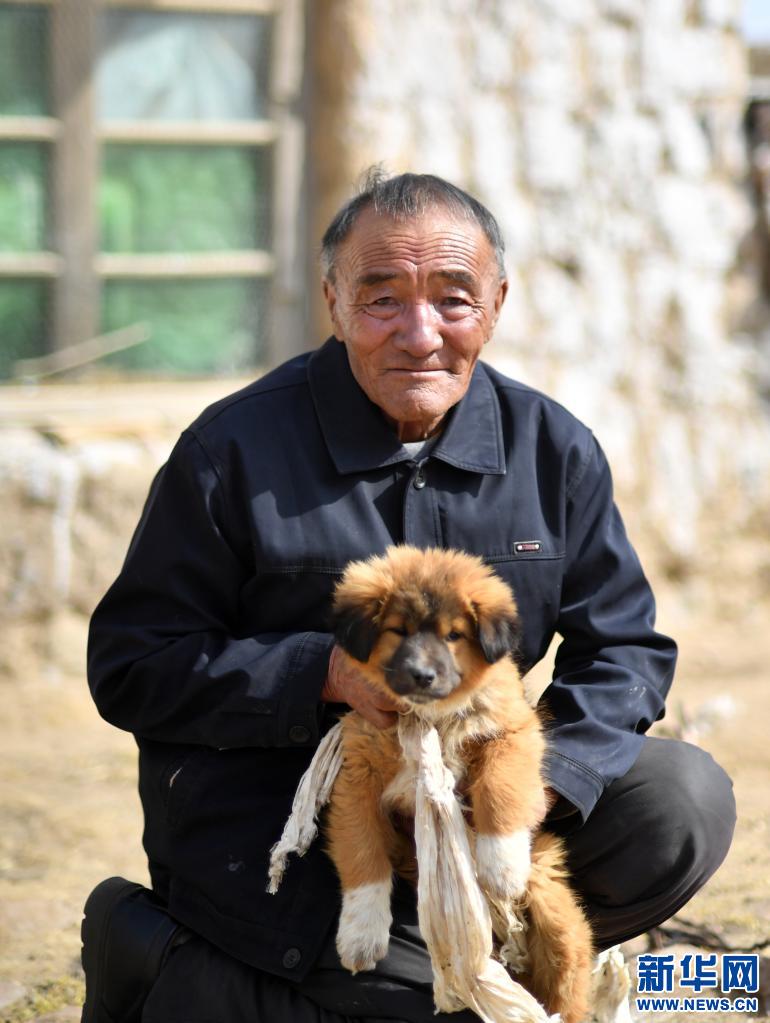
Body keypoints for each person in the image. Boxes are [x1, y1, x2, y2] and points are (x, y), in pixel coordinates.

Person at [82, 171, 736, 1023]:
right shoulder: (230, 451)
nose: (420, 334)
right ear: (333, 301)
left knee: (681, 801)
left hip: (478, 802)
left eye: (453, 299)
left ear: (496, 305)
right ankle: (155, 956)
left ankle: (462, 950)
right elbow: (132, 664)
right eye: (382, 298)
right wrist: (321, 674)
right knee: (432, 1004)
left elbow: (624, 650)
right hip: (286, 829)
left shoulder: (553, 449)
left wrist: (531, 793)